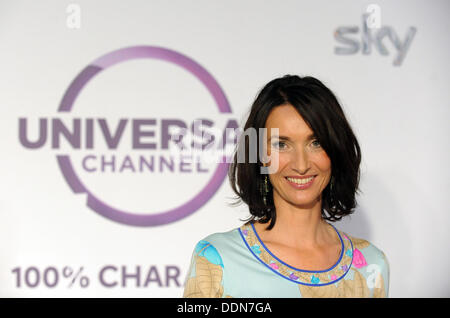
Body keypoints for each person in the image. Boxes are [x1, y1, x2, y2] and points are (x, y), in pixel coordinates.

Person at [182, 75, 389, 298]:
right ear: (260, 154)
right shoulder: (217, 260)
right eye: (282, 144)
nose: (301, 165)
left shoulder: (371, 265)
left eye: (316, 143)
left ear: (335, 150)